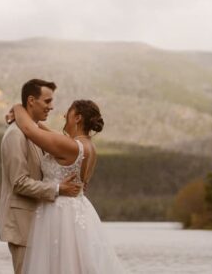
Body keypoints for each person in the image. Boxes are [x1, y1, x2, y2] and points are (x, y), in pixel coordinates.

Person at [11, 97, 126, 274]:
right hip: (79, 210)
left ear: (78, 118)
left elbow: (28, 129)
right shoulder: (89, 147)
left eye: (69, 112)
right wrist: (34, 120)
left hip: (59, 212)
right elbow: (51, 135)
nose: (65, 115)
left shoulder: (70, 146)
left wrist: (18, 107)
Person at [0, 79, 83, 274]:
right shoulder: (15, 135)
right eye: (47, 101)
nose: (51, 107)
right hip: (23, 226)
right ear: (31, 101)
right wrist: (58, 188)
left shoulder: (34, 133)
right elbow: (19, 183)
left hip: (41, 224)